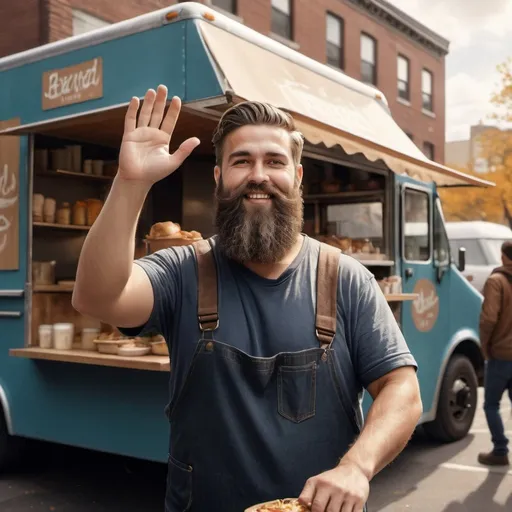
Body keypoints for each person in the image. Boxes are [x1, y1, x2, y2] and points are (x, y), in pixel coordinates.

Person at [72, 85, 422, 512]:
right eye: (242, 161)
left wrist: (357, 467)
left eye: (274, 161)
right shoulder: (184, 271)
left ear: (296, 176)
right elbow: (96, 297)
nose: (259, 175)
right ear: (219, 178)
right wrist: (131, 184)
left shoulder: (344, 278)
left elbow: (401, 388)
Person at [478, 240, 512, 467]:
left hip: (501, 355)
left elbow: (489, 318)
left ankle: (500, 450)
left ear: (502, 257)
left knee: (491, 404)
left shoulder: (496, 281)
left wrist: (485, 345)